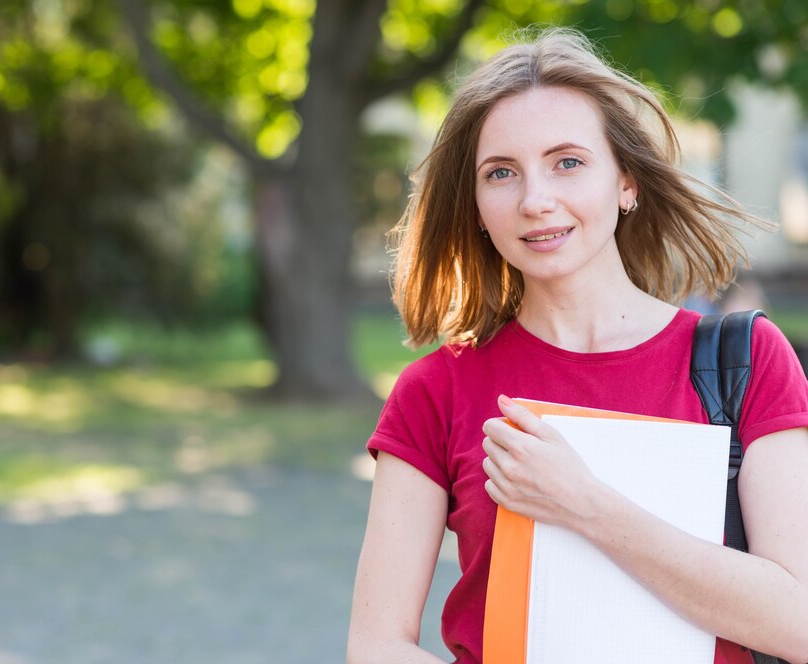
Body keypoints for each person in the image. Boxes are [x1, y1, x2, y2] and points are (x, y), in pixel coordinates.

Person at [346, 28, 808, 664]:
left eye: (568, 162)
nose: (536, 200)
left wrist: (585, 505)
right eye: (501, 173)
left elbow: (798, 626)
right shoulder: (435, 390)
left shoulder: (747, 361)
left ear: (626, 183)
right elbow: (375, 647)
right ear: (478, 206)